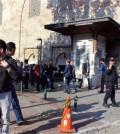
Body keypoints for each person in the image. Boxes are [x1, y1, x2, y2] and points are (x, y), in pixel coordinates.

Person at [0, 39, 18, 134]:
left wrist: (7, 66)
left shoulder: (11, 61)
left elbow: (17, 77)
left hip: (5, 94)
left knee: (5, 118)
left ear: (1, 50)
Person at [6, 42, 24, 125]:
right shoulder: (11, 60)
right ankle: (19, 119)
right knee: (14, 101)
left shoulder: (1, 58)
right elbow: (16, 75)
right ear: (12, 49)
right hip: (9, 83)